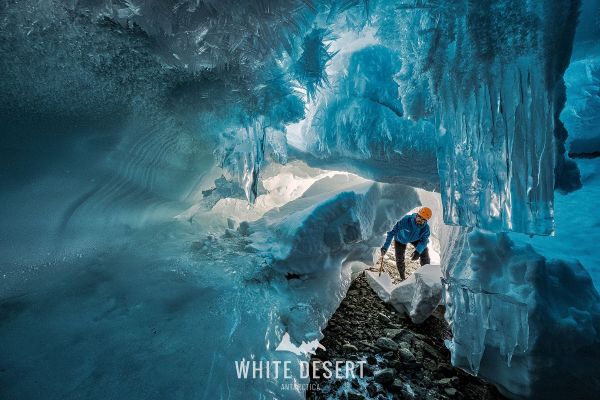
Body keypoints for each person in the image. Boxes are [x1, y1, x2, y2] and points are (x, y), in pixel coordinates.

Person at [380, 207, 432, 280]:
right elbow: (391, 232)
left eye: (423, 219)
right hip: (400, 238)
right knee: (399, 258)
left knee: (424, 252)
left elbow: (424, 241)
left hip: (416, 239)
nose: (420, 220)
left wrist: (418, 251)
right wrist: (385, 247)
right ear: (417, 215)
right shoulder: (405, 220)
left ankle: (427, 275)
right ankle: (402, 277)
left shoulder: (426, 229)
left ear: (426, 221)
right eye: (419, 217)